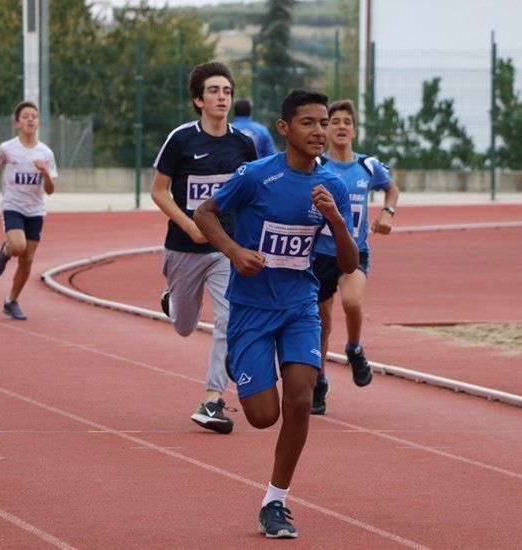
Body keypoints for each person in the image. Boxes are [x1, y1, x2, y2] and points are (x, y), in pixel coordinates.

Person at [194, 89, 358, 538]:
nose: (320, 131)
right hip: (250, 309)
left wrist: (337, 222)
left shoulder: (333, 188)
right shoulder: (255, 175)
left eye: (324, 122)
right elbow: (206, 212)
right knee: (264, 416)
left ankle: (275, 501)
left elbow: (347, 264)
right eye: (308, 123)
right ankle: (240, 362)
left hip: (300, 306)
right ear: (285, 128)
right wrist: (233, 251)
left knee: (301, 400)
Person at [151, 62, 257, 434]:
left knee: (230, 320)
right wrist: (189, 224)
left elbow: (251, 194)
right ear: (198, 99)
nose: (221, 97)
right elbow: (158, 191)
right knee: (184, 326)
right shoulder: (181, 139)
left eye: (226, 91)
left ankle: (213, 399)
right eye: (213, 91)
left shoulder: (244, 144)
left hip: (223, 249)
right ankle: (173, 299)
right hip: (183, 247)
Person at [310, 99, 400, 415]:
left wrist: (387, 213)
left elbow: (392, 188)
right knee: (320, 324)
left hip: (355, 250)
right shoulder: (317, 165)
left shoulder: (368, 166)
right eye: (335, 121)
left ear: (355, 130)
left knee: (352, 302)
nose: (341, 127)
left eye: (347, 121)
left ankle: (354, 348)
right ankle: (318, 381)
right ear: (326, 128)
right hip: (318, 254)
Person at [0, 101, 58, 321]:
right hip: (13, 207)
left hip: (35, 210)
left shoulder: (45, 153)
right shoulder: (7, 148)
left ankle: (11, 301)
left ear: (39, 123)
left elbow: (51, 190)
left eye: (34, 116)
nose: (30, 119)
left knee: (27, 261)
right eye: (25, 116)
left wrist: (45, 172)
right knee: (18, 246)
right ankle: (5, 251)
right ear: (17, 123)